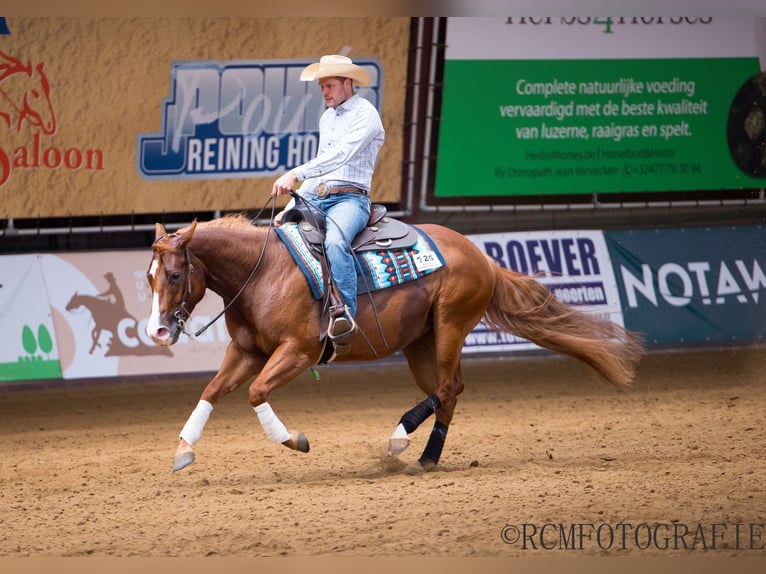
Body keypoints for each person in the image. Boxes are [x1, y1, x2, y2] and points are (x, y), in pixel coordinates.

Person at [272, 54, 385, 340]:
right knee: (281, 239)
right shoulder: (327, 118)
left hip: (351, 199)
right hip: (319, 197)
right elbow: (321, 169)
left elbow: (341, 155)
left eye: (330, 85)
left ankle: (344, 315)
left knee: (335, 241)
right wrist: (290, 207)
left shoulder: (366, 113)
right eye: (322, 86)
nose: (325, 92)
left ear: (348, 83)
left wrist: (294, 173)